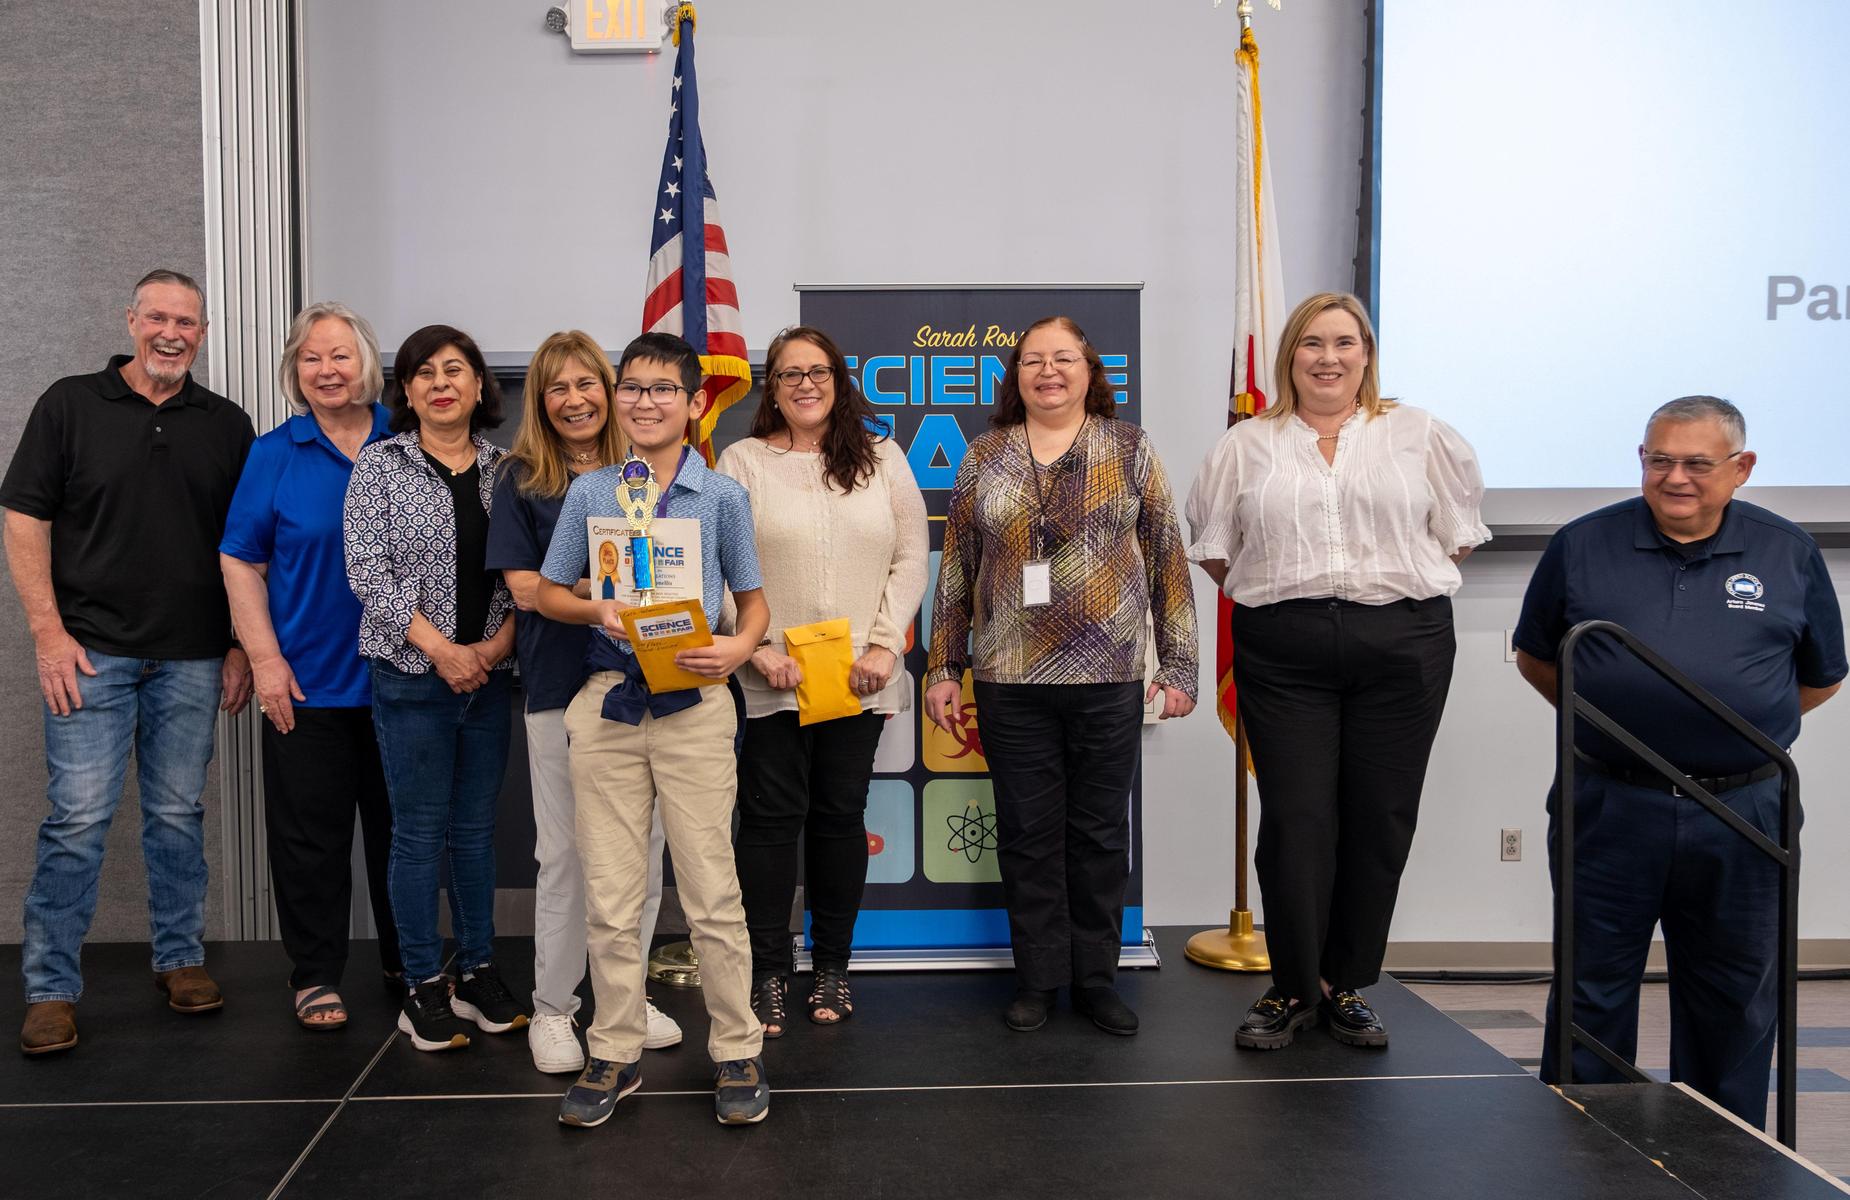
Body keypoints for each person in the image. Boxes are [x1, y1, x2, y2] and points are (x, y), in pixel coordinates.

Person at [1514, 395, 1844, 1126]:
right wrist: (1616, 728)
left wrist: (1733, 732)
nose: (1676, 478)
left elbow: (1819, 678)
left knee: (1734, 994)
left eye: (1698, 463)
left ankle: (1726, 1152)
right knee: (1591, 990)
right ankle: (1583, 1151)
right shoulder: (1582, 543)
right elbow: (1537, 658)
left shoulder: (1788, 551)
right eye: (1659, 459)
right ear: (1641, 461)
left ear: (1741, 469)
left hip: (1744, 810)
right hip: (1608, 801)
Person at [1185, 291, 1488, 1052]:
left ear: (1367, 353)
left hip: (1404, 644)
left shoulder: (1421, 436)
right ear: (1290, 356)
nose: (1328, 357)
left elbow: (1455, 536)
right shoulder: (1246, 444)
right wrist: (1302, 600)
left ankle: (1342, 983)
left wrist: (1378, 596)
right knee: (1295, 821)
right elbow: (1220, 551)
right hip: (1284, 651)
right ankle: (1289, 987)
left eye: (1344, 343)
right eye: (1312, 343)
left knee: (1379, 816)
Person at [4, 270, 254, 1055]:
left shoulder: (227, 423)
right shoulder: (70, 405)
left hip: (191, 656)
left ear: (203, 334)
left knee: (177, 816)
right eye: (158, 317)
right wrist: (48, 634)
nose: (171, 332)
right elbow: (23, 518)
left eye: (186, 321)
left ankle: (179, 960)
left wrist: (242, 642)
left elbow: (248, 545)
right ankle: (50, 989)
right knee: (77, 820)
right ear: (131, 320)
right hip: (89, 654)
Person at [925, 315, 1198, 1038]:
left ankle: (1096, 978)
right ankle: (1039, 979)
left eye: (1064, 358)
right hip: (1010, 678)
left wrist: (1180, 665)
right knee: (1027, 833)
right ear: (1015, 376)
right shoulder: (984, 456)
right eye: (1033, 361)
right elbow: (955, 570)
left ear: (1089, 369)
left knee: (1101, 835)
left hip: (1108, 676)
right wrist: (944, 665)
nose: (1049, 371)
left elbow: (1169, 559)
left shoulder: (1131, 448)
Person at [535, 332, 771, 1128]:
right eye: (630, 388)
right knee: (611, 892)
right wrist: (593, 606)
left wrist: (739, 646)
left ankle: (737, 1048)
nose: (643, 402)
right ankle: (614, 1050)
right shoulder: (594, 490)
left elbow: (754, 599)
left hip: (694, 705)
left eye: (662, 390)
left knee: (711, 890)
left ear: (696, 402)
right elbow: (546, 591)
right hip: (607, 703)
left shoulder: (722, 496)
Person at [718, 325, 928, 1036]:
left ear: (838, 382)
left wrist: (883, 648)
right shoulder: (740, 462)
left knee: (840, 817)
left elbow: (910, 555)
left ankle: (832, 965)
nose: (804, 384)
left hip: (858, 679)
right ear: (770, 388)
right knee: (772, 822)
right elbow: (720, 563)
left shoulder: (881, 457)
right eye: (787, 374)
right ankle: (768, 972)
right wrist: (755, 649)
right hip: (772, 674)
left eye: (818, 372)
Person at [485, 329, 683, 1074]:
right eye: (557, 388)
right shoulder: (523, 479)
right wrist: (605, 607)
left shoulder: (651, 472)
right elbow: (526, 589)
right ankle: (554, 1010)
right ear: (540, 400)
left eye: (587, 384)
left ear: (612, 390)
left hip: (656, 687)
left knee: (645, 852)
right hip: (562, 690)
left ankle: (624, 1001)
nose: (575, 399)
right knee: (566, 855)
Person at [343, 323, 525, 1052]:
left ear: (481, 386)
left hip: (490, 675)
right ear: (407, 391)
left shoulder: (508, 469)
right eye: (425, 372)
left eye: (457, 369)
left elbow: (525, 574)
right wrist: (443, 652)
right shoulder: (379, 465)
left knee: (475, 834)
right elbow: (367, 573)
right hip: (413, 676)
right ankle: (422, 983)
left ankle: (477, 970)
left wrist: (492, 648)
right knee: (418, 834)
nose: (441, 382)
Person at [220, 301, 398, 1031]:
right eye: (310, 359)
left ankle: (410, 961)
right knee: (310, 842)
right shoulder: (275, 453)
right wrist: (263, 660)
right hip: (309, 683)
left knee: (407, 836)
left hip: (405, 683)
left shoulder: (408, 438)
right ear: (296, 372)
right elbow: (239, 557)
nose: (326, 370)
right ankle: (316, 973)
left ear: (367, 364)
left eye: (340, 356)